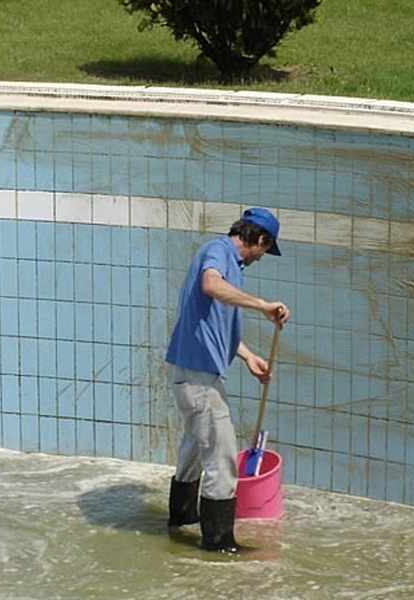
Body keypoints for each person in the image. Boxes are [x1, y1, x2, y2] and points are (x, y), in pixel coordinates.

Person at [165, 207, 290, 553]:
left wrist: (248, 356)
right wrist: (263, 306)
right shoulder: (219, 251)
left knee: (194, 446)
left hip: (193, 370)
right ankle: (219, 544)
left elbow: (216, 323)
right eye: (266, 249)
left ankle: (181, 521)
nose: (263, 256)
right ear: (260, 239)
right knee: (221, 455)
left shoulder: (232, 269)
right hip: (197, 374)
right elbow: (211, 284)